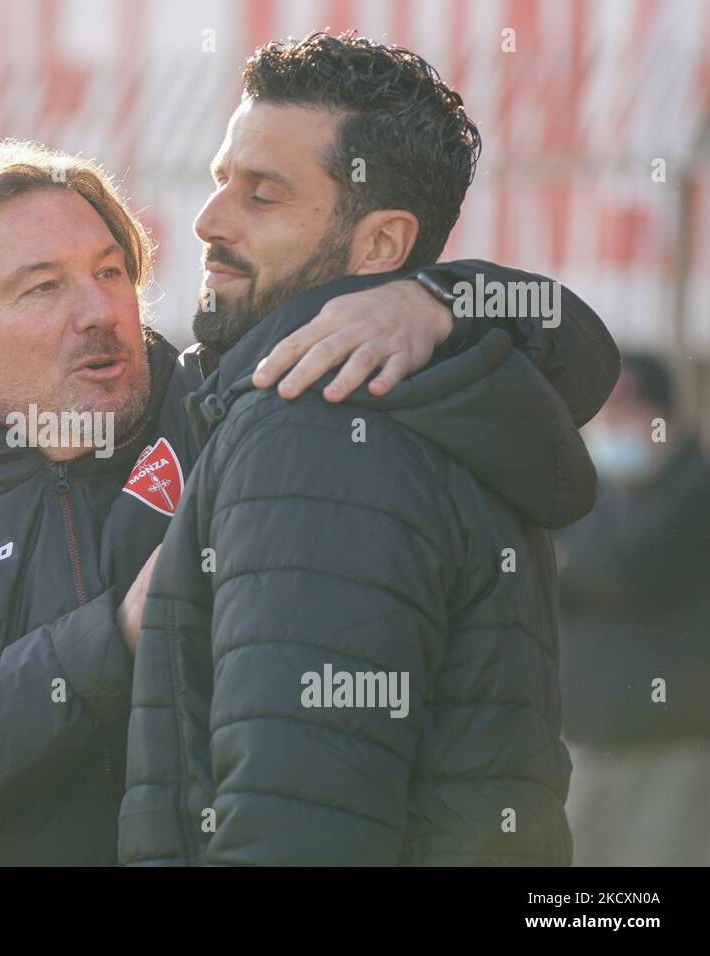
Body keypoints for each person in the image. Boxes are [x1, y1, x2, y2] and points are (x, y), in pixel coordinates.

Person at [0, 133, 614, 864]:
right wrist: (114, 637)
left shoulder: (232, 411)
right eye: (43, 288)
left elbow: (574, 354)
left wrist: (437, 301)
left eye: (111, 272)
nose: (100, 312)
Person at [119, 32, 617, 866]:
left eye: (263, 195)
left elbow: (296, 824)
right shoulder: (424, 395)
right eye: (220, 183)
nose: (208, 221)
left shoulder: (318, 429)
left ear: (382, 245)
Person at [557, 353, 710, 865]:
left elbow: (632, 570)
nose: (613, 430)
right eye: (606, 418)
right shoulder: (601, 497)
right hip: (587, 742)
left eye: (630, 416)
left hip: (669, 748)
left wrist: (570, 555)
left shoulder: (696, 489)